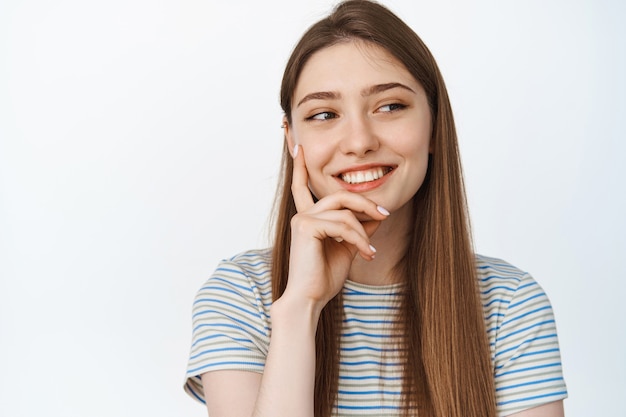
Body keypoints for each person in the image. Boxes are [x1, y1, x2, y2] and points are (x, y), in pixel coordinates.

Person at [184, 1, 568, 416]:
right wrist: (300, 308)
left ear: (435, 125)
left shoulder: (509, 304)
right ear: (291, 140)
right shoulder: (241, 295)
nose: (359, 141)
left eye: (390, 106)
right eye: (324, 114)